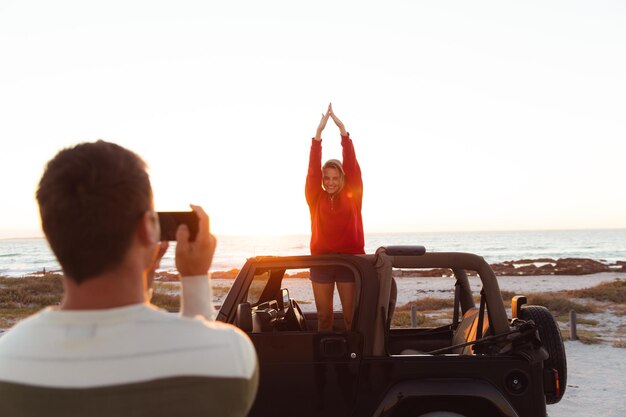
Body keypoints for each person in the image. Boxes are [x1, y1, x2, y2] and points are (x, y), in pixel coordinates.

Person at [0, 141, 258, 417]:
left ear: (51, 231)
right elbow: (199, 353)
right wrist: (194, 278)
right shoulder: (231, 358)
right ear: (148, 227)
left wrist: (142, 278)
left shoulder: (8, 362)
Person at [305, 103, 365, 332]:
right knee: (324, 318)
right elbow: (312, 170)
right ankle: (325, 364)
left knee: (351, 319)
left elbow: (352, 165)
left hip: (349, 263)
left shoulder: (353, 195)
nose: (330, 182)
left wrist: (343, 132)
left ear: (342, 179)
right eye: (326, 177)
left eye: (335, 177)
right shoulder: (315, 197)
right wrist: (318, 135)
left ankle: (353, 362)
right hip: (321, 262)